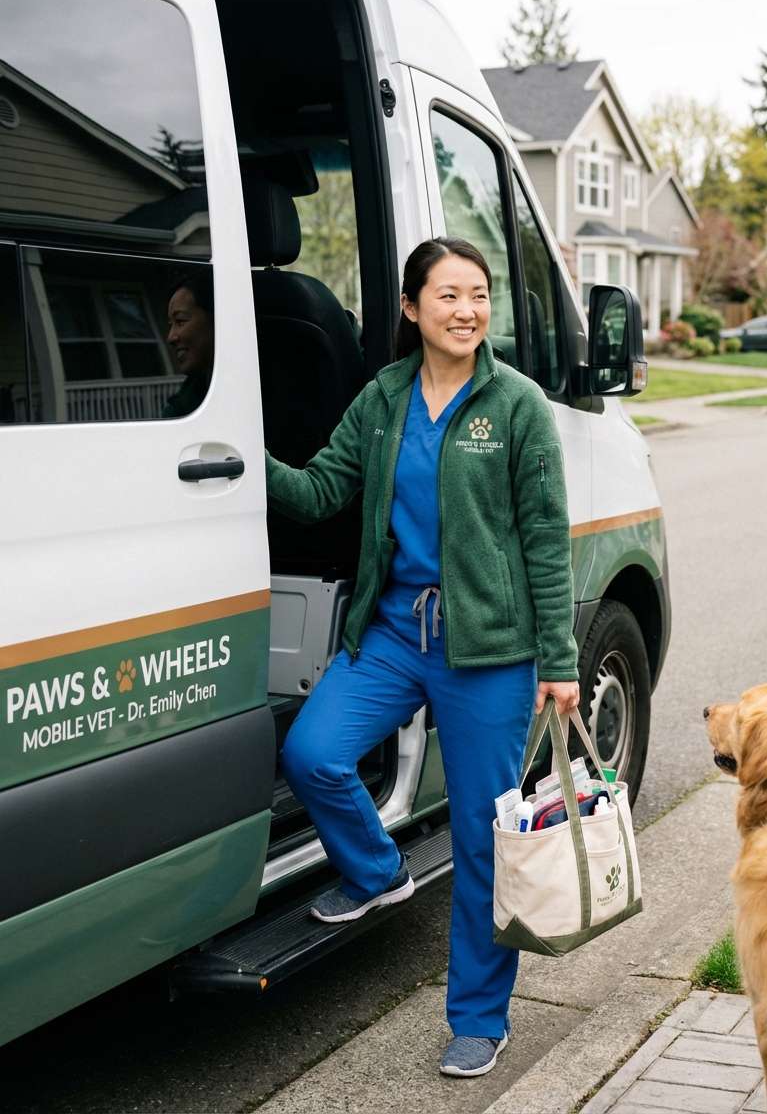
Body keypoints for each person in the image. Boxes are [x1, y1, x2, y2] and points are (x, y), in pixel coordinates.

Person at [265, 237, 579, 1077]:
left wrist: (560, 659)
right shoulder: (384, 398)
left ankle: (479, 1015)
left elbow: (546, 538)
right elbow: (324, 489)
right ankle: (377, 871)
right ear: (410, 308)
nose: (468, 309)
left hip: (491, 650)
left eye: (478, 295)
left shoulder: (515, 404)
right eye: (447, 295)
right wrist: (237, 460)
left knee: (483, 835)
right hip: (397, 630)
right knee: (313, 752)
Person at [162, 273, 214, 418]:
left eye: (180, 321)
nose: (170, 337)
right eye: (170, 325)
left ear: (215, 320)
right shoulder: (185, 402)